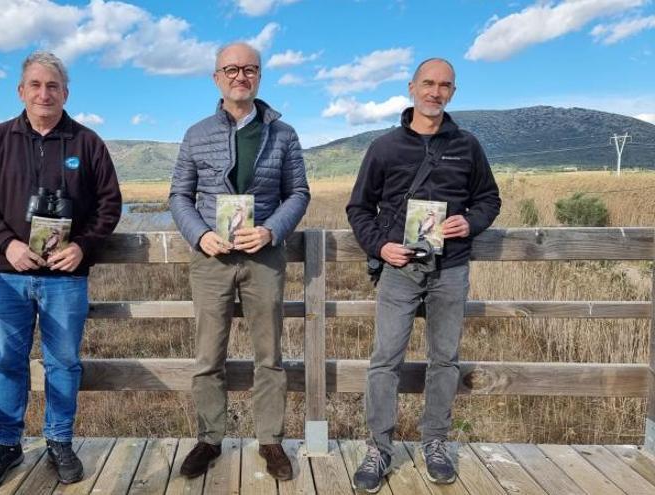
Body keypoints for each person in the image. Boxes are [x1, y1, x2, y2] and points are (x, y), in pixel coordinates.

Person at [0, 50, 122, 491]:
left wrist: (84, 247)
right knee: (8, 362)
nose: (44, 93)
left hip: (65, 279)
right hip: (8, 276)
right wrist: (7, 244)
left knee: (64, 363)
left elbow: (110, 204)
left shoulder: (86, 143)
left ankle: (59, 441)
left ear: (65, 93)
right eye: (35, 85)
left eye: (52, 86)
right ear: (21, 91)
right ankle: (6, 445)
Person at [345, 58, 501, 493]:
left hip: (450, 269)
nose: (435, 92)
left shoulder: (468, 146)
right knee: (384, 361)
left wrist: (470, 222)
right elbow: (359, 208)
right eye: (428, 84)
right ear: (412, 87)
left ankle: (435, 443)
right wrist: (381, 246)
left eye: (445, 86)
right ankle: (379, 448)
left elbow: (489, 199)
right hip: (399, 270)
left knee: (445, 360)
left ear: (453, 92)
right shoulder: (385, 147)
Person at [169, 41, 310, 481]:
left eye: (249, 69)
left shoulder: (283, 134)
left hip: (264, 256)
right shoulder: (195, 134)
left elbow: (299, 193)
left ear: (260, 77)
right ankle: (210, 439)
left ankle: (270, 440)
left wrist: (271, 230)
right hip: (211, 259)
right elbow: (179, 196)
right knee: (208, 355)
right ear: (216, 77)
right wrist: (201, 234)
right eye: (230, 69)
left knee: (269, 355)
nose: (239, 76)